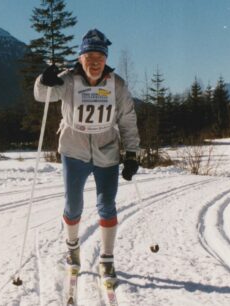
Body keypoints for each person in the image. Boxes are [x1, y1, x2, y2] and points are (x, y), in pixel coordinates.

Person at [34, 29, 140, 284]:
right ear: (80, 58)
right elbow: (41, 95)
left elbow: (127, 120)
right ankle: (72, 247)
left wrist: (133, 153)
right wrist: (44, 80)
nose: (94, 62)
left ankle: (107, 258)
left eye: (99, 57)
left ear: (106, 59)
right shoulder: (68, 80)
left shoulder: (117, 85)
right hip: (74, 150)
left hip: (107, 152)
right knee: (73, 205)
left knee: (107, 205)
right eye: (89, 56)